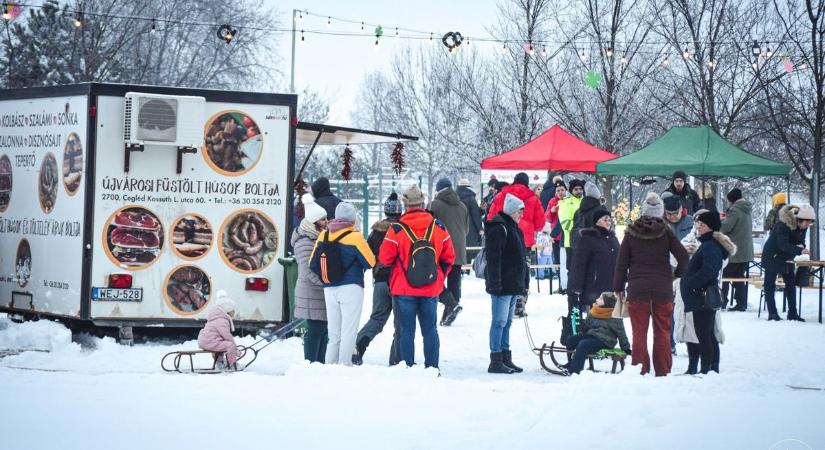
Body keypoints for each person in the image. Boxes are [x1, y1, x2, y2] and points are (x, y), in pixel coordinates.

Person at [379, 185, 456, 369]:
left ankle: (408, 368)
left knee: (406, 331)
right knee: (430, 331)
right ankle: (432, 368)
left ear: (405, 205)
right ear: (423, 203)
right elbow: (449, 257)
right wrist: (438, 276)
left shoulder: (396, 229)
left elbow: (384, 258)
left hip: (403, 289)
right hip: (430, 289)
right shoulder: (438, 227)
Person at [613, 192, 689, 376]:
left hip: (637, 291)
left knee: (639, 334)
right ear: (661, 212)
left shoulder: (631, 232)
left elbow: (621, 263)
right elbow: (684, 256)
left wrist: (618, 287)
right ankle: (663, 371)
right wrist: (676, 275)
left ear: (644, 212)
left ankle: (640, 370)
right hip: (662, 290)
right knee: (662, 332)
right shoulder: (666, 232)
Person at [309, 202, 375, 365]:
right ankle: (344, 367)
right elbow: (370, 262)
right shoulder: (355, 237)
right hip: (351, 288)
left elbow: (312, 263)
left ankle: (330, 366)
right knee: (348, 331)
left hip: (329, 289)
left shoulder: (323, 236)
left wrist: (329, 274)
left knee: (334, 333)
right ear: (352, 220)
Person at [680, 210, 736, 374]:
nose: (698, 227)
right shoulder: (707, 243)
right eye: (697, 224)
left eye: (702, 225)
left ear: (711, 227)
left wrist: (691, 282)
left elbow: (709, 270)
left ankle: (707, 369)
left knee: (704, 335)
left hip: (702, 297)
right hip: (700, 296)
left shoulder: (711, 246)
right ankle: (711, 367)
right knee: (707, 334)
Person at [352, 193, 403, 366]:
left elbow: (368, 257)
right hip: (399, 282)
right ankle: (396, 359)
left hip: (380, 281)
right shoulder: (403, 230)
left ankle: (357, 347)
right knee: (401, 323)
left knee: (377, 319)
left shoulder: (375, 232)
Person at [486, 172, 546, 316]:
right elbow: (540, 223)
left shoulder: (501, 196)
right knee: (523, 269)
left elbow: (490, 216)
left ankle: (506, 302)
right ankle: (520, 300)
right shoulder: (533, 199)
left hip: (503, 236)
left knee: (505, 267)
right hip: (525, 240)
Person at [485, 194, 529, 374]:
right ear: (511, 211)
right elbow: (493, 259)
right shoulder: (499, 228)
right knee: (499, 321)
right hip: (502, 285)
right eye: (519, 211)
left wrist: (523, 282)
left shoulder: (514, 229)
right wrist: (495, 283)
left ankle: (505, 355)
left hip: (512, 284)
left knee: (508, 322)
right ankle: (496, 357)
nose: (521, 215)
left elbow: (521, 259)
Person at [761, 204, 814, 321]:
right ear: (799, 219)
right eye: (806, 222)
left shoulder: (803, 227)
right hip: (772, 256)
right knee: (770, 285)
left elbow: (800, 241)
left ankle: (792, 313)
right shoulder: (783, 225)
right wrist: (799, 249)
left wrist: (802, 246)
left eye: (810, 222)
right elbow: (782, 244)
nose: (807, 225)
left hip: (788, 257)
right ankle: (772, 313)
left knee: (791, 285)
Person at [292, 200, 329, 363]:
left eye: (326, 219)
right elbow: (308, 270)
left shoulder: (316, 237)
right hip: (311, 292)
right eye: (323, 220)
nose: (326, 223)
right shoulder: (305, 241)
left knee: (322, 330)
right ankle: (311, 363)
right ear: (313, 223)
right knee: (315, 329)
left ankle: (319, 363)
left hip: (319, 292)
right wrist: (326, 283)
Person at [430, 177, 469, 326]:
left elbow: (429, 228)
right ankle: (450, 311)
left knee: (434, 279)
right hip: (458, 249)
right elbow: (466, 230)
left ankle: (451, 305)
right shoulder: (462, 206)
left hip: (440, 249)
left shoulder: (435, 205)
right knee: (455, 281)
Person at [561, 293, 631, 375]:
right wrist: (580, 327)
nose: (597, 299)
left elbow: (621, 332)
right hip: (591, 336)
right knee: (571, 340)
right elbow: (586, 326)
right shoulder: (594, 311)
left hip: (604, 341)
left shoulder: (614, 316)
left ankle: (575, 371)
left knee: (583, 344)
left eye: (601, 299)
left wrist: (626, 348)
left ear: (607, 302)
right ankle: (571, 364)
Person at [569, 208, 620, 314]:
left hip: (612, 290)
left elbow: (620, 263)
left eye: (609, 220)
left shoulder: (613, 239)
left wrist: (622, 283)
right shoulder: (588, 239)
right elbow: (579, 264)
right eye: (604, 219)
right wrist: (577, 287)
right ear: (596, 221)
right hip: (594, 289)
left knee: (612, 325)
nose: (608, 222)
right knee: (595, 325)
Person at [721, 188, 753, 311]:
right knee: (739, 277)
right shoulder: (746, 209)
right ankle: (741, 303)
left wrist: (720, 221)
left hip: (734, 250)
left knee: (725, 276)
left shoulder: (735, 210)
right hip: (745, 251)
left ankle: (722, 301)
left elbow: (726, 228)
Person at [197, 291, 240, 369]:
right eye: (233, 310)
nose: (234, 312)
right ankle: (233, 365)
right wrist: (235, 348)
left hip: (206, 340)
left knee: (221, 343)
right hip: (209, 341)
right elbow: (227, 336)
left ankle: (219, 363)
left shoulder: (216, 317)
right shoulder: (222, 320)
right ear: (228, 310)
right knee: (230, 345)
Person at [558, 179, 585, 295]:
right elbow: (566, 224)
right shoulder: (565, 203)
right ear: (571, 190)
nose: (579, 191)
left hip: (586, 243)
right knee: (573, 274)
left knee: (584, 273)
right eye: (576, 189)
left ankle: (583, 305)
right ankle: (573, 309)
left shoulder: (586, 201)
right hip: (571, 244)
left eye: (580, 189)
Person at [544, 177, 567, 290]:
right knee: (557, 261)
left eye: (562, 190)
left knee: (567, 261)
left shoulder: (568, 201)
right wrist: (551, 211)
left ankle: (567, 284)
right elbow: (546, 217)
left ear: (566, 190)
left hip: (567, 236)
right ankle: (560, 284)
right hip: (556, 236)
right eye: (558, 191)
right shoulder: (552, 202)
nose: (560, 192)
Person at [569, 181, 603, 250]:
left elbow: (574, 227)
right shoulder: (600, 210)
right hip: (596, 246)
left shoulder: (578, 211)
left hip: (580, 246)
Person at [456, 179, 483, 250]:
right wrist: (480, 229)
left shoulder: (455, 197)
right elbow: (475, 215)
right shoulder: (471, 198)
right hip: (471, 229)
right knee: (471, 251)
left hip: (458, 228)